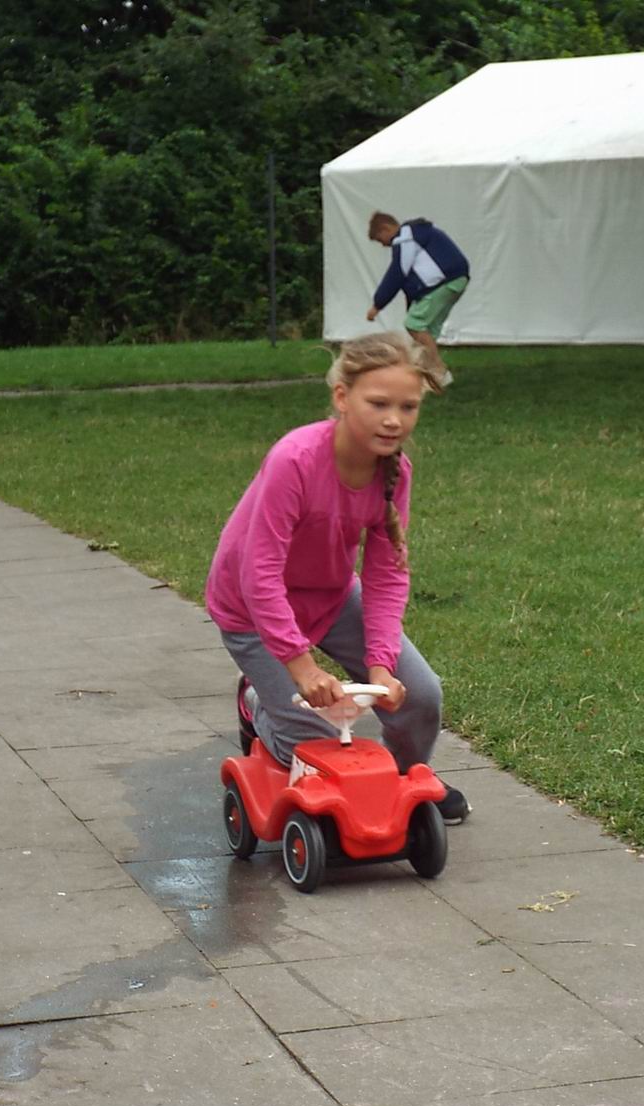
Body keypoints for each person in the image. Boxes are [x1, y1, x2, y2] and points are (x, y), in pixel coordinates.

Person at [204, 330, 469, 823]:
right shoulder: (295, 459)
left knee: (421, 695)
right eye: (378, 403)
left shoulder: (395, 471)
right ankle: (257, 704)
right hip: (251, 609)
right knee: (312, 740)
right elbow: (259, 574)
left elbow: (387, 575)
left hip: (330, 597)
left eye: (408, 407)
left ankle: (403, 779)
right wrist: (302, 668)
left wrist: (381, 666)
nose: (394, 419)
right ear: (343, 397)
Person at [366, 211, 469, 389]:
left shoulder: (405, 239)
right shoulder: (419, 235)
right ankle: (425, 374)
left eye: (380, 239)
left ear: (386, 228)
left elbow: (397, 273)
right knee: (428, 330)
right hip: (456, 279)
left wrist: (377, 304)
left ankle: (439, 373)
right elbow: (412, 281)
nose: (383, 245)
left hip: (444, 282)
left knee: (414, 324)